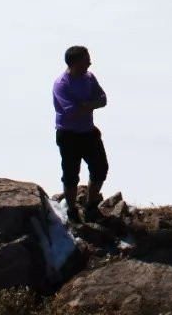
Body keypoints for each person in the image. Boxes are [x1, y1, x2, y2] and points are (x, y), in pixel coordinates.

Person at [53, 45, 109, 223]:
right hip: (68, 135)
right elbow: (71, 111)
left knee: (100, 168)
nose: (90, 63)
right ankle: (72, 211)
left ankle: (91, 207)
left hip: (88, 132)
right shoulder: (62, 84)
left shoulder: (89, 78)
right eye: (86, 60)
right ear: (75, 63)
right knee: (71, 175)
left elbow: (103, 99)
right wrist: (90, 104)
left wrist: (85, 105)